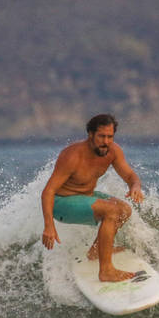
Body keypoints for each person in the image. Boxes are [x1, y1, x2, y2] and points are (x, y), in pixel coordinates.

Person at [41, 114, 144, 282]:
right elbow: (48, 191)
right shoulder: (72, 155)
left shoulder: (113, 151)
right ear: (90, 134)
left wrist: (135, 186)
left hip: (84, 196)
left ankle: (95, 251)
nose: (106, 141)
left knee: (124, 210)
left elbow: (130, 175)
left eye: (110, 137)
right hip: (62, 203)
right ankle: (106, 271)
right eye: (101, 136)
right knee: (111, 211)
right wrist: (49, 227)